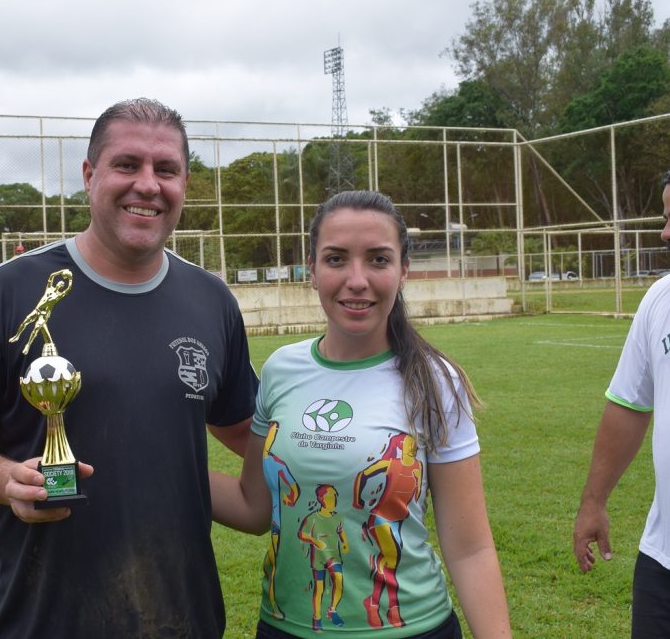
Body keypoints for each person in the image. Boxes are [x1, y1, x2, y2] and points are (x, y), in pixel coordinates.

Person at [0, 98, 258, 638]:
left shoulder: (212, 301)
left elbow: (246, 431)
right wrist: (7, 480)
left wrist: (339, 450)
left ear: (184, 184)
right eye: (127, 164)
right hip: (43, 622)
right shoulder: (8, 293)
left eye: (166, 169)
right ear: (89, 175)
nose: (148, 184)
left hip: (183, 620)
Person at [211, 190, 511, 638]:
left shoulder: (434, 380)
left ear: (403, 270)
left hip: (413, 630)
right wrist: (161, 464)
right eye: (336, 259)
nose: (356, 279)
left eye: (378, 259)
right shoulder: (280, 370)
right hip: (283, 628)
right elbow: (254, 507)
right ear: (311, 270)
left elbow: (470, 549)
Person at [573, 165, 670, 638]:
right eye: (666, 217)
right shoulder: (661, 300)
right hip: (664, 563)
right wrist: (593, 502)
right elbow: (628, 406)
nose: (666, 232)